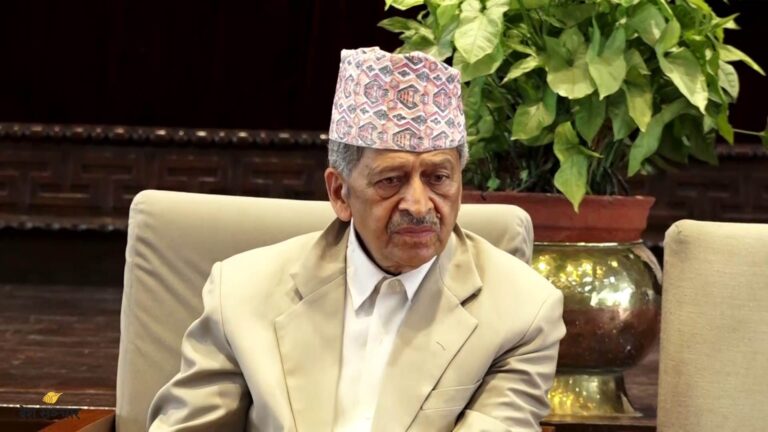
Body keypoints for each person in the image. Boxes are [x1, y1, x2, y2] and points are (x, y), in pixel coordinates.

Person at [147, 47, 565, 432]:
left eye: (438, 178)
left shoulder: (523, 310)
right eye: (391, 180)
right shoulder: (240, 293)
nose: (419, 205)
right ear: (340, 193)